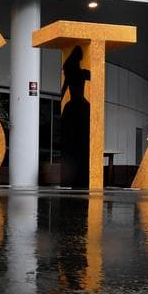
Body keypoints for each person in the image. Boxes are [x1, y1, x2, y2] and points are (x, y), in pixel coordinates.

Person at [59, 46, 92, 188]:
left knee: (72, 140)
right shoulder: (82, 73)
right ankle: (82, 175)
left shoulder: (71, 73)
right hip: (81, 106)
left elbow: (64, 88)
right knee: (83, 140)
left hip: (72, 106)